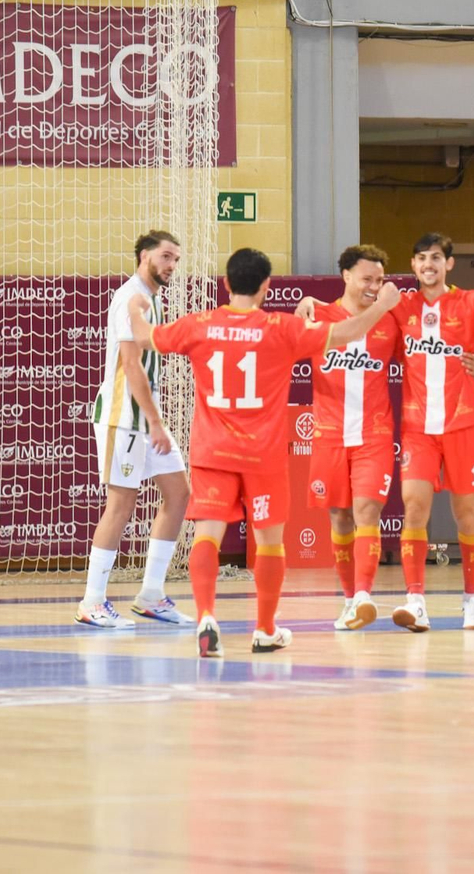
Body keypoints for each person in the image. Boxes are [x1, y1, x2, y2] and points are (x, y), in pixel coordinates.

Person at [131, 248, 400, 657]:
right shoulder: (281, 328)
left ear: (226, 283)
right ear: (266, 287)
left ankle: (206, 617)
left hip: (212, 452)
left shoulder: (199, 324)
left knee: (207, 536)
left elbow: (145, 337)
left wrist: (135, 308)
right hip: (262, 455)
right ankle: (265, 629)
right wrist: (381, 307)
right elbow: (346, 333)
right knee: (270, 543)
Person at [299, 245, 474, 631]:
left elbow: (426, 354)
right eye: (366, 279)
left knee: (367, 510)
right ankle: (349, 600)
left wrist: (470, 358)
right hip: (330, 435)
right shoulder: (318, 316)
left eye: (380, 280)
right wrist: (308, 301)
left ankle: (364, 595)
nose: (374, 286)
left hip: (375, 435)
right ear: (345, 276)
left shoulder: (391, 322)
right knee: (339, 516)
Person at [385, 234, 474, 633]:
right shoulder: (402, 307)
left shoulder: (469, 302)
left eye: (435, 258)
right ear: (413, 265)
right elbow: (354, 311)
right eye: (421, 258)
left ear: (448, 264)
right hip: (417, 429)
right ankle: (415, 602)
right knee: (414, 507)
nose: (427, 264)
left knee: (467, 515)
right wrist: (313, 304)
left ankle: (472, 600)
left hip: (464, 426)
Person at [75, 230, 194, 629]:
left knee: (178, 493)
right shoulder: (130, 297)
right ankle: (92, 601)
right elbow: (130, 365)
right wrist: (155, 422)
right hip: (123, 415)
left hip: (146, 415)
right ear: (145, 256)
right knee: (122, 502)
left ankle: (151, 595)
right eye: (166, 256)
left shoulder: (150, 299)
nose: (172, 265)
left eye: (176, 259)